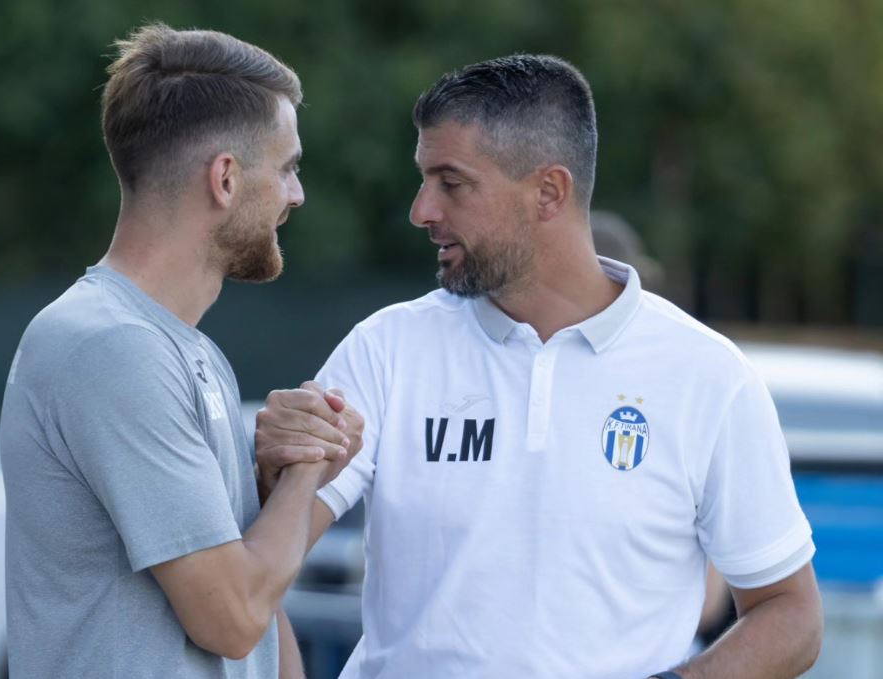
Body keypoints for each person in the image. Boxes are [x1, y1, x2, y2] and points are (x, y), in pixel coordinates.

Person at [256, 55, 823, 678]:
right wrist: (272, 471)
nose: (422, 210)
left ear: (549, 192)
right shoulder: (385, 348)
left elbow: (791, 614)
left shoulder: (709, 374)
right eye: (424, 180)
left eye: (451, 183)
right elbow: (260, 571)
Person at [0, 23, 361, 679]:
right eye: (287, 168)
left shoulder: (185, 351)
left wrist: (276, 482)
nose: (297, 194)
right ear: (225, 178)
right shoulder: (113, 347)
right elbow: (231, 619)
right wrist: (312, 463)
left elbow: (255, 601)